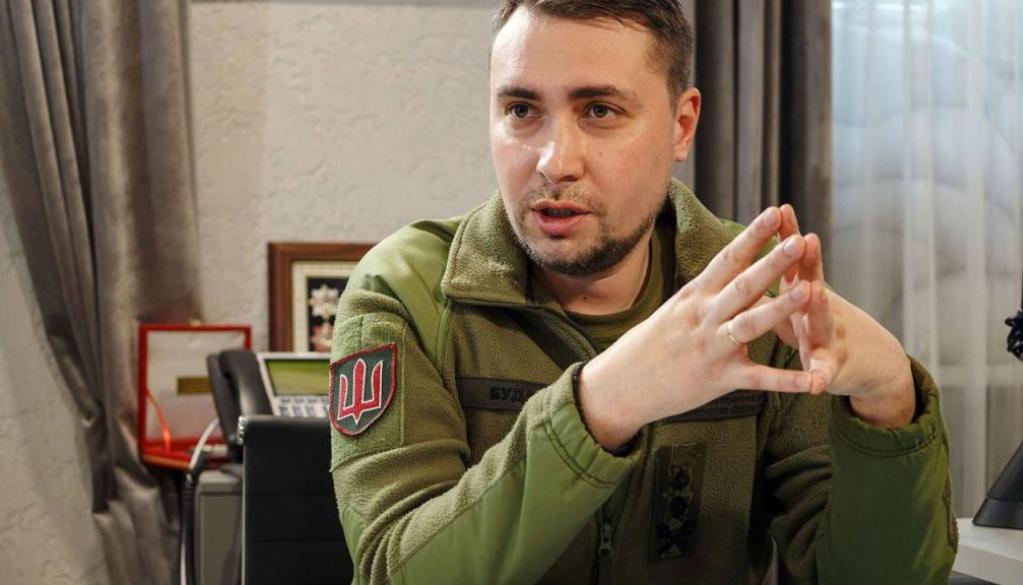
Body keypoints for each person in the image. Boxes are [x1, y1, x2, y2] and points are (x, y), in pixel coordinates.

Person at [327, 1, 957, 583]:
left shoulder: (757, 296)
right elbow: (392, 570)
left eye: (599, 111)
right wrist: (602, 404)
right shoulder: (406, 292)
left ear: (681, 127)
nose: (554, 161)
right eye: (521, 111)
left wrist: (889, 403)